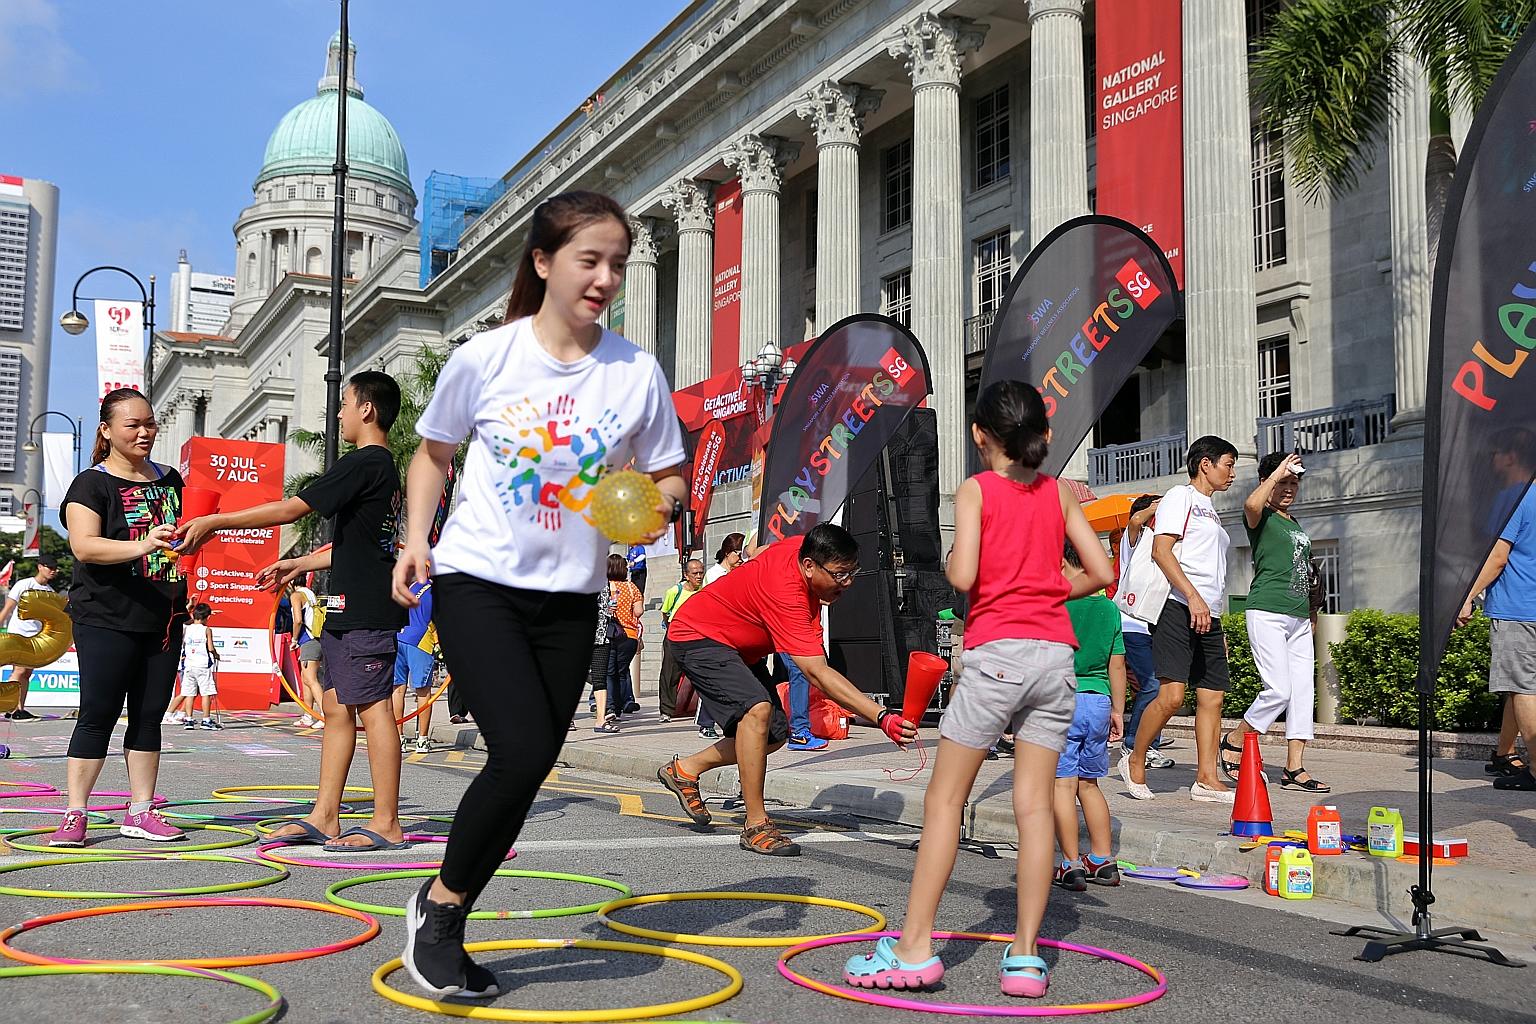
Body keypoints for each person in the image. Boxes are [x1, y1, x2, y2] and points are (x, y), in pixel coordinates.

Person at [390, 190, 688, 998]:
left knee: (532, 763)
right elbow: (432, 455)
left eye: (617, 265)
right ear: (545, 262)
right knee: (518, 750)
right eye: (589, 260)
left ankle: (440, 904)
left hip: (571, 596)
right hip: (478, 580)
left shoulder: (635, 372)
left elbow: (670, 475)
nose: (605, 278)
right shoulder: (487, 358)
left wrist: (660, 500)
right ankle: (444, 913)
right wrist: (418, 537)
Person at [843, 380, 1113, 998]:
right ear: (1040, 437)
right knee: (1036, 808)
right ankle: (1023, 959)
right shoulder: (1060, 494)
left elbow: (962, 574)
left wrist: (978, 561)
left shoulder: (976, 489)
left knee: (944, 801)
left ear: (979, 435)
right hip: (1056, 662)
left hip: (997, 657)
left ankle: (914, 948)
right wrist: (1049, 589)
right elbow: (1101, 572)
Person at [177, 370, 408, 851]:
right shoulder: (379, 469)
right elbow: (358, 547)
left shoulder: (366, 462)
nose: (339, 412)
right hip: (350, 605)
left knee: (374, 709)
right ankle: (325, 816)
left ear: (367, 409)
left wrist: (217, 520)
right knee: (335, 707)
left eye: (345, 402)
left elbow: (290, 509)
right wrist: (298, 563)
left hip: (365, 609)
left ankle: (386, 822)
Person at [657, 522, 915, 856]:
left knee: (775, 733)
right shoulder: (788, 593)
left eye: (853, 573)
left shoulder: (801, 549)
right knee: (757, 710)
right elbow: (817, 673)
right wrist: (881, 716)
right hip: (697, 635)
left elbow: (761, 550)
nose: (847, 583)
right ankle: (755, 825)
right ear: (809, 566)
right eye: (840, 574)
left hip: (736, 646)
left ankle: (684, 770)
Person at [48, 388, 188, 847]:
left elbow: (182, 538)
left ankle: (141, 811)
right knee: (98, 713)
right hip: (105, 615)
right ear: (106, 431)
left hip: (163, 616)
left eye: (150, 423)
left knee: (150, 716)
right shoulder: (92, 483)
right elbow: (85, 546)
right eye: (134, 424)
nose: (145, 431)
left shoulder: (170, 479)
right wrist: (145, 544)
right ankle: (75, 813)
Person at [1120, 435, 1239, 803]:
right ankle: (1135, 758)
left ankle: (1206, 778)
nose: (1232, 472)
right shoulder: (1179, 497)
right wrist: (1192, 597)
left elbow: (1213, 571)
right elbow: (1160, 550)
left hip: (1209, 613)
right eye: (1228, 464)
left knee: (1212, 697)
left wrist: (1216, 617)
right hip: (1178, 606)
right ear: (1206, 463)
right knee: (1171, 696)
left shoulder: (1212, 510)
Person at [1220, 452, 1327, 791]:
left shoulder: (1294, 523)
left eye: (1295, 483)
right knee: (1278, 690)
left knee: (1302, 694)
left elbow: (1308, 574)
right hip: (1267, 610)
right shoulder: (1261, 516)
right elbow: (1251, 504)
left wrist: (1311, 616)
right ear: (1270, 481)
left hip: (1298, 619)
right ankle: (1235, 739)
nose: (1290, 488)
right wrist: (1277, 471)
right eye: (1284, 482)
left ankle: (1294, 767)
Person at [1459, 427, 1536, 791]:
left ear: (1510, 457)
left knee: (1522, 688)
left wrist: (1468, 595)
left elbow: (1497, 558)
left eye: (1495, 453)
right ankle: (1503, 753)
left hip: (1519, 608)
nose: (1491, 460)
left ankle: (1535, 769)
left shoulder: (1513, 498)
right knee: (1520, 686)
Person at [1052, 539, 1125, 891]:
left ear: (1067, 564)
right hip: (1098, 702)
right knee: (1089, 784)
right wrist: (1118, 710)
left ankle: (1069, 863)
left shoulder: (1057, 604)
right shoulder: (1110, 609)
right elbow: (1118, 664)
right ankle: (1102, 859)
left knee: (1062, 785)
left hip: (1061, 699)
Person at [1117, 495, 1172, 769]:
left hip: (1156, 624)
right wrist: (1157, 505)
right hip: (1132, 626)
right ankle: (1133, 743)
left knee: (1162, 688)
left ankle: (1150, 745)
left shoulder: (1164, 540)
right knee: (1151, 685)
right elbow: (1136, 519)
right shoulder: (1134, 538)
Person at [695, 532, 745, 738]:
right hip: (715, 633)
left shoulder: (739, 571)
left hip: (736, 633)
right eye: (737, 552)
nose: (740, 557)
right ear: (727, 552)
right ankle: (705, 723)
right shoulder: (715, 574)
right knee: (714, 681)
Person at [1, 555, 60, 721]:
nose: (53, 571)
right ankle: (12, 708)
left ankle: (19, 708)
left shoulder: (50, 592)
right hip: (17, 634)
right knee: (19, 670)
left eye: (55, 568)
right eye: (50, 567)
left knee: (26, 673)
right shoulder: (24, 584)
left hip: (34, 637)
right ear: (40, 567)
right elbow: (8, 608)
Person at [657, 558, 706, 722]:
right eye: (695, 573)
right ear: (686, 575)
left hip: (696, 635)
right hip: (675, 635)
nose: (699, 576)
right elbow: (665, 613)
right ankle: (666, 710)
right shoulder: (674, 591)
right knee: (670, 673)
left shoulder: (704, 590)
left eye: (701, 572)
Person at [600, 554, 644, 729]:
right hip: (630, 635)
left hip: (611, 634)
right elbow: (639, 611)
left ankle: (610, 707)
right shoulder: (632, 587)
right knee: (622, 672)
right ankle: (618, 708)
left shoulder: (606, 587)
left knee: (610, 672)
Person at [394, 578, 437, 754]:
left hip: (400, 636)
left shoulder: (411, 585)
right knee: (423, 691)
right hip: (420, 640)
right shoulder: (437, 590)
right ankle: (422, 740)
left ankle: (399, 738)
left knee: (397, 689)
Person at [178, 603, 222, 731]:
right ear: (207, 617)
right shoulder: (206, 630)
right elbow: (210, 647)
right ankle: (206, 719)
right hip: (202, 665)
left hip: (189, 666)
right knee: (206, 693)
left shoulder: (186, 628)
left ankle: (189, 720)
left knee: (189, 693)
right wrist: (216, 654)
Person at [290, 575, 324, 729]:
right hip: (315, 639)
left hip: (309, 640)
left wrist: (294, 639)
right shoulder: (310, 593)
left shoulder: (296, 595)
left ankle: (325, 715)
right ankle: (308, 715)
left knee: (310, 679)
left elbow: (298, 620)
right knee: (306, 679)